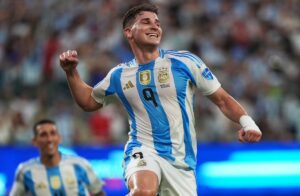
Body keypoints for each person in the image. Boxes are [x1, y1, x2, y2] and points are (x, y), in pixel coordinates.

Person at [59, 3, 262, 196]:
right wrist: (71, 73)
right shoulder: (119, 75)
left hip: (182, 164)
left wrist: (248, 123)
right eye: (146, 21)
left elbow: (223, 100)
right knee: (143, 191)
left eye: (157, 22)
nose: (155, 25)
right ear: (129, 32)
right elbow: (88, 101)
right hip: (143, 149)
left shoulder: (184, 62)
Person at [10, 119, 105, 196]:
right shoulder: (25, 171)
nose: (49, 139)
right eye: (43, 135)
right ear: (34, 141)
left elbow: (99, 193)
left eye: (53, 133)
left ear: (59, 138)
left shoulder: (80, 165)